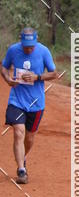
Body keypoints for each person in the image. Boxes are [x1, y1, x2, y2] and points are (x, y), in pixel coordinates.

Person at [1, 28, 57, 184]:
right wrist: (7, 78)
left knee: (30, 137)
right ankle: (21, 170)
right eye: (26, 46)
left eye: (31, 46)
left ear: (36, 41)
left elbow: (54, 73)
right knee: (19, 132)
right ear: (21, 41)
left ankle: (23, 157)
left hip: (36, 102)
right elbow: (4, 67)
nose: (28, 49)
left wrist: (37, 76)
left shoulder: (44, 51)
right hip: (17, 100)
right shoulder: (13, 50)